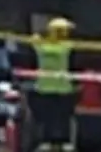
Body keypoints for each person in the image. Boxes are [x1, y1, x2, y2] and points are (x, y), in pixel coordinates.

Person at [32, 18, 76, 152]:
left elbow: (35, 38)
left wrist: (41, 35)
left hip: (44, 88)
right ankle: (59, 144)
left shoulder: (40, 46)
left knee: (48, 119)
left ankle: (49, 143)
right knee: (62, 120)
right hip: (63, 88)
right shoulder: (66, 46)